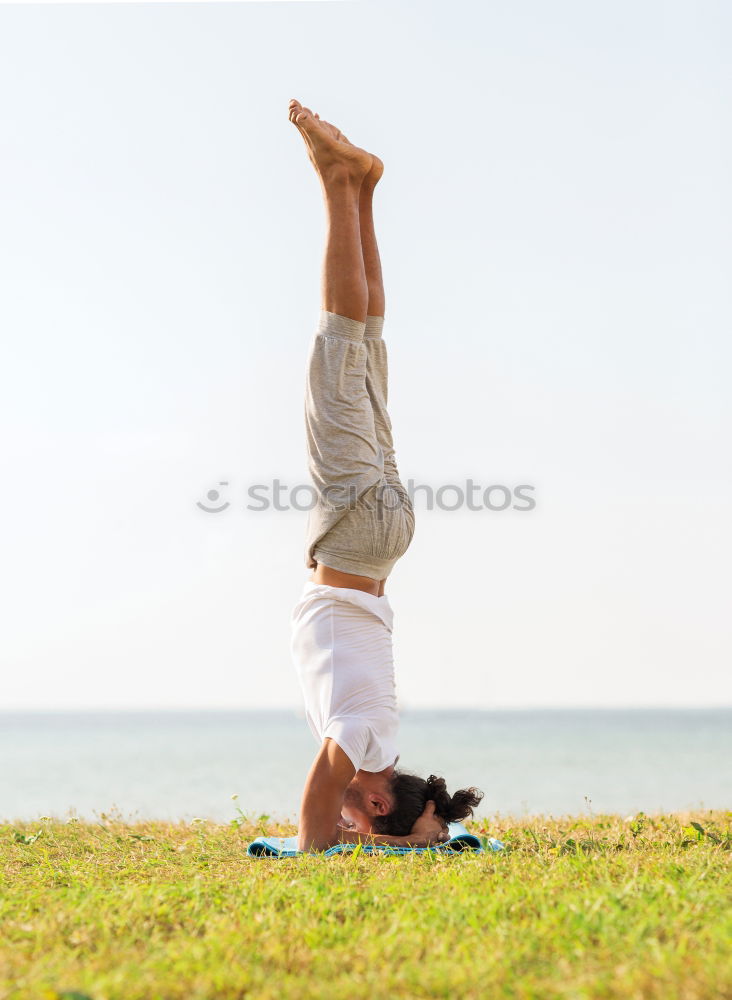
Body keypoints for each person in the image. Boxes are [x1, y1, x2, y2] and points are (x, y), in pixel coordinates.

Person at [288, 99, 483, 853]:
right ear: (373, 802)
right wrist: (316, 854)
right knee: (341, 343)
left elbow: (347, 798)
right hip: (359, 537)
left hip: (385, 538)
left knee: (364, 347)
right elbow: (320, 797)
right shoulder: (364, 746)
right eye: (359, 824)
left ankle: (361, 186)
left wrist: (410, 835)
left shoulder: (385, 739)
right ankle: (340, 184)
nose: (346, 821)